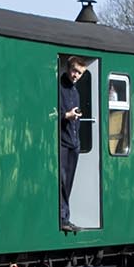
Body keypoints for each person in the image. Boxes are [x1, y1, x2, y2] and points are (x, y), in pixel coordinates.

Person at [57, 55, 93, 225]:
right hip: (62, 141)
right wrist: (66, 116)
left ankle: (66, 217)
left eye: (79, 73)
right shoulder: (58, 88)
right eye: (74, 71)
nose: (76, 75)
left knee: (68, 182)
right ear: (68, 69)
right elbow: (52, 113)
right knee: (62, 180)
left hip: (73, 142)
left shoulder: (75, 92)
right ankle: (63, 217)